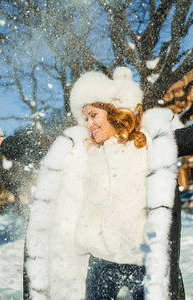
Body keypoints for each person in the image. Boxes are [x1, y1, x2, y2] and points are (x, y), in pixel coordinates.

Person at [24, 67, 193, 300]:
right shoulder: (84, 153)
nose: (89, 123)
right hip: (100, 264)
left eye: (93, 114)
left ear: (112, 111)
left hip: (142, 264)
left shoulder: (149, 143)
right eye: (85, 117)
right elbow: (40, 154)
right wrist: (2, 141)